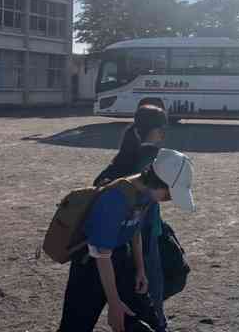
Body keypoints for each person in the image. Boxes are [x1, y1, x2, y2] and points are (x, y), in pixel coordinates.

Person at [58, 148, 196, 332]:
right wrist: (114, 303)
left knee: (149, 323)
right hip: (90, 266)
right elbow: (101, 254)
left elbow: (135, 231)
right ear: (158, 183)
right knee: (74, 327)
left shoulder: (146, 195)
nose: (169, 200)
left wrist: (140, 270)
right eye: (169, 194)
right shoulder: (115, 199)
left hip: (121, 259)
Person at [94, 105, 170, 331]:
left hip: (127, 239)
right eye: (160, 129)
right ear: (153, 131)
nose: (163, 135)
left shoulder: (125, 157)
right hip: (137, 239)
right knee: (148, 296)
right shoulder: (149, 160)